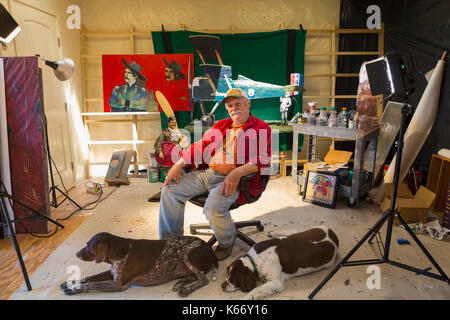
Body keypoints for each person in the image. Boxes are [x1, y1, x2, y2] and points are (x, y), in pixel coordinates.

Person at [158, 88, 271, 260]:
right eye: (230, 105)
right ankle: (171, 243)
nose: (234, 108)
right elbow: (200, 146)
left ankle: (227, 241)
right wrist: (179, 163)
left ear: (248, 104)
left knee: (212, 208)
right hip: (208, 173)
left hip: (235, 180)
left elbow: (263, 159)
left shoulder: (261, 128)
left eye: (238, 104)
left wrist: (238, 172)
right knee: (170, 191)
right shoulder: (221, 125)